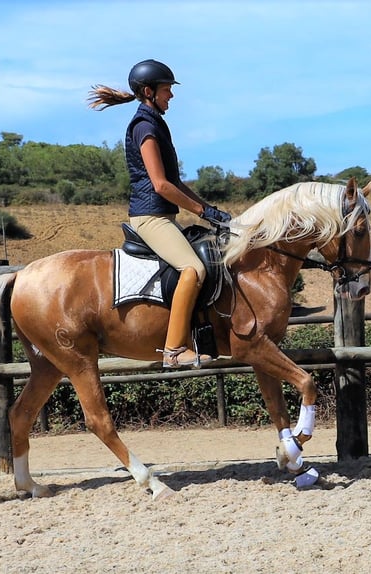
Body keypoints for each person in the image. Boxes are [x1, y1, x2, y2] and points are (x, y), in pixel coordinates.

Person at [88, 59, 231, 368]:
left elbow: (177, 182)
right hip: (150, 217)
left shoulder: (155, 122)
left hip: (164, 216)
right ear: (150, 92)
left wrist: (211, 212)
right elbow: (162, 185)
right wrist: (201, 210)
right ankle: (174, 349)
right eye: (167, 90)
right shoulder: (144, 126)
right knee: (194, 269)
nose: (172, 96)